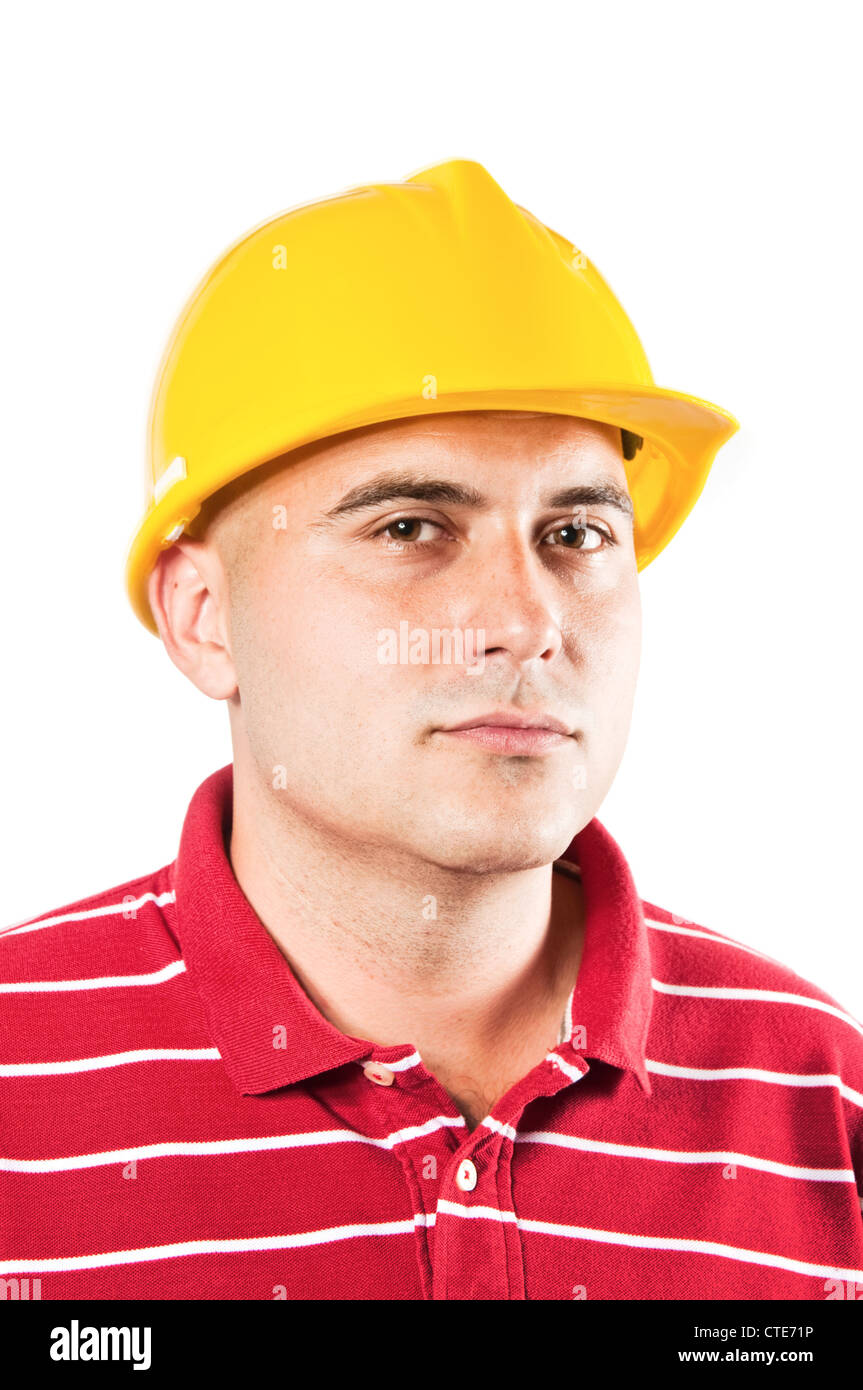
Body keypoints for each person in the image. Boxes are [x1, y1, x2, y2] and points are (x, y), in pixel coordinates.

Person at [2, 160, 861, 1302]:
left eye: (576, 534)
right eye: (411, 527)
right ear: (204, 617)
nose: (524, 623)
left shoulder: (821, 1098)